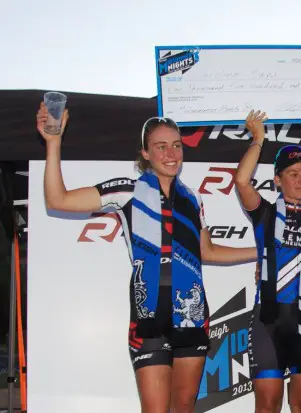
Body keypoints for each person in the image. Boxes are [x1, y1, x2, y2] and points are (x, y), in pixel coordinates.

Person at [36, 102, 258, 413]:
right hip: (148, 317)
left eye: (177, 146)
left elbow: (207, 251)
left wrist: (261, 251)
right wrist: (53, 141)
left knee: (183, 407)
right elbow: (57, 199)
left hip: (191, 316)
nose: (171, 154)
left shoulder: (193, 199)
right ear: (145, 153)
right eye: (161, 147)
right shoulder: (127, 191)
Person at [235, 110, 301, 413]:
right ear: (278, 180)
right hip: (269, 321)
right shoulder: (265, 214)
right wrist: (258, 139)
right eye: (294, 174)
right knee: (267, 406)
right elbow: (241, 181)